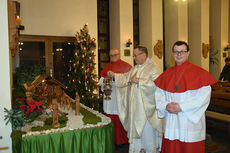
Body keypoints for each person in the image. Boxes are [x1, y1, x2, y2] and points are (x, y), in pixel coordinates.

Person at [154, 41, 217, 153]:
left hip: (189, 119)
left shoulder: (200, 73)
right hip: (171, 118)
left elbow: (203, 98)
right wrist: (166, 105)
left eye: (182, 52)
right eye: (176, 52)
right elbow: (159, 94)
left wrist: (181, 107)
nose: (179, 54)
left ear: (188, 53)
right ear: (172, 54)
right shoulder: (166, 74)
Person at [107, 46, 163, 153]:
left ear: (143, 55)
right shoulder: (135, 68)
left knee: (147, 135)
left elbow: (157, 85)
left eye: (135, 55)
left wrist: (140, 81)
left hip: (146, 111)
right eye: (133, 55)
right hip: (135, 108)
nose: (133, 58)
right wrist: (114, 76)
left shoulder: (154, 68)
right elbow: (125, 77)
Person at [99, 48, 132, 146]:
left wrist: (114, 76)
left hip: (120, 96)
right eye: (111, 55)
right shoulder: (107, 66)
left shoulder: (126, 66)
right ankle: (111, 140)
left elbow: (128, 80)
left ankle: (122, 140)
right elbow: (101, 81)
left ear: (119, 55)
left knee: (120, 116)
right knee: (110, 115)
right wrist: (105, 80)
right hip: (109, 97)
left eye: (115, 55)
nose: (113, 57)